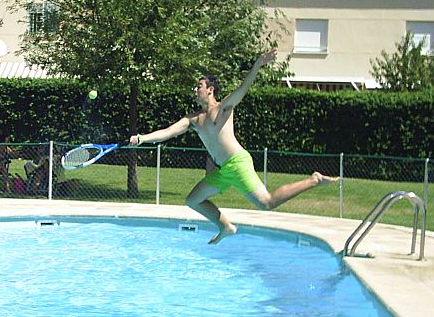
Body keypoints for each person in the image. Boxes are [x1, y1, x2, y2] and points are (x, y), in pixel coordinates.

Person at [130, 50, 339, 245]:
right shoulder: (193, 119)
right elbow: (167, 132)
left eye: (199, 86)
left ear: (210, 90)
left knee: (266, 203)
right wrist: (142, 138)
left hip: (238, 164)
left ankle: (314, 180)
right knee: (193, 200)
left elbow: (242, 89)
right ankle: (226, 226)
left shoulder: (224, 108)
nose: (195, 90)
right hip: (222, 171)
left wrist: (257, 65)